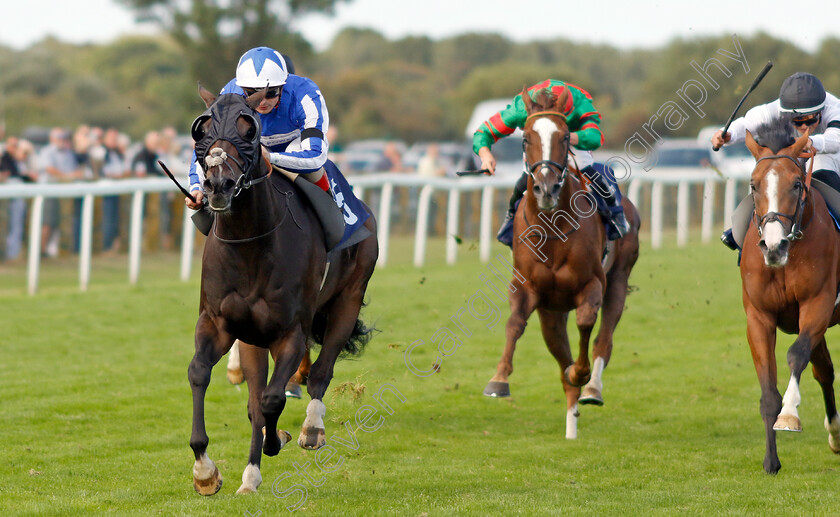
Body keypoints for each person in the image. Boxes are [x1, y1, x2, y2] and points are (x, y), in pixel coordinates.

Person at [474, 80, 630, 246]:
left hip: (568, 138)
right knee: (526, 177)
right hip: (538, 141)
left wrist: (567, 136)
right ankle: (511, 217)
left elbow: (595, 137)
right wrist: (485, 156)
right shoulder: (520, 108)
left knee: (585, 168)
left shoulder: (578, 101)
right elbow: (483, 132)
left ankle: (616, 213)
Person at [187, 47, 337, 206]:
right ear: (243, 89)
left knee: (314, 172)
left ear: (282, 86)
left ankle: (333, 212)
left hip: (296, 146)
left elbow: (316, 156)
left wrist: (270, 157)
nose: (263, 102)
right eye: (252, 93)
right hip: (254, 149)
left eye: (271, 92)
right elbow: (209, 147)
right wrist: (196, 187)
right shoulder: (231, 93)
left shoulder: (305, 93)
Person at [714, 72, 840, 251]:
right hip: (795, 157)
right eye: (797, 121)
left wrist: (811, 142)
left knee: (821, 168)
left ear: (821, 110)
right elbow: (747, 123)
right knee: (772, 179)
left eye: (811, 120)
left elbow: (836, 139)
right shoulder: (776, 109)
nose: (804, 127)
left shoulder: (834, 107)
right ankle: (744, 232)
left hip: (830, 156)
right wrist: (728, 134)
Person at [39, 127, 83, 257]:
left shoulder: (68, 152)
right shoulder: (47, 151)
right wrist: (68, 175)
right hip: (49, 191)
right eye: (59, 137)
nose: (62, 140)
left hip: (64, 192)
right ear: (52, 139)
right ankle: (41, 250)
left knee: (62, 221)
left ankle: (59, 249)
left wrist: (74, 175)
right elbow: (49, 169)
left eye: (63, 138)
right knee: (47, 222)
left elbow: (74, 170)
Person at [0, 137, 38, 261]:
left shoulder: (17, 160)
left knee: (16, 224)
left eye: (16, 146)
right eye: (13, 145)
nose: (15, 148)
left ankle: (13, 253)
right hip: (8, 198)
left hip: (16, 197)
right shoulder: (4, 158)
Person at [100, 128, 129, 253]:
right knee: (107, 220)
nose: (114, 141)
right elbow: (102, 172)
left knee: (115, 220)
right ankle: (105, 246)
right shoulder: (101, 152)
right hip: (105, 191)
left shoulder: (117, 153)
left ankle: (112, 246)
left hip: (117, 190)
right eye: (112, 138)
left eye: (115, 139)